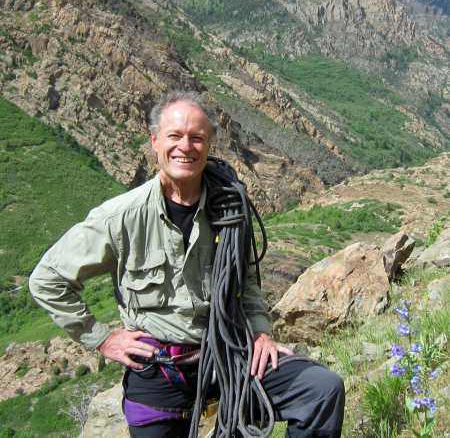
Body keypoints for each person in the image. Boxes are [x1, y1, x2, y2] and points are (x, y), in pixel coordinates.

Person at [29, 90, 345, 438]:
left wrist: (260, 331)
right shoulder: (120, 218)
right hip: (159, 372)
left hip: (229, 357)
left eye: (197, 138)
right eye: (174, 136)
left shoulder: (229, 210)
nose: (186, 146)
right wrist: (102, 339)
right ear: (154, 141)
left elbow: (247, 280)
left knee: (322, 389)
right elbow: (47, 279)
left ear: (209, 146)